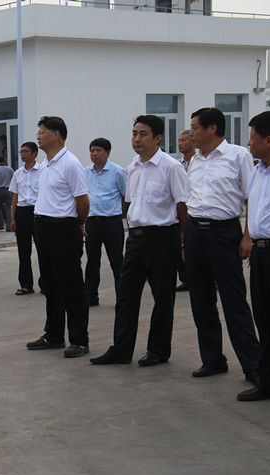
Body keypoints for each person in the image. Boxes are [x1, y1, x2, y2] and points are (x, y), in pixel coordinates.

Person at [90, 115, 187, 366]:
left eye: (143, 134)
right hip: (135, 238)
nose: (137, 139)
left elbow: (182, 205)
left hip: (162, 237)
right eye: (134, 133)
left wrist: (182, 240)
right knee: (126, 295)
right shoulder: (132, 168)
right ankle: (121, 349)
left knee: (162, 297)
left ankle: (158, 351)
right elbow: (130, 203)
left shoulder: (170, 167)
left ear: (157, 138)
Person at [185, 107, 260, 385]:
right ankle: (213, 358)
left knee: (233, 299)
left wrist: (247, 236)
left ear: (212, 128)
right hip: (195, 231)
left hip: (224, 231)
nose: (190, 134)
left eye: (195, 128)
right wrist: (186, 239)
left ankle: (253, 365)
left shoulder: (238, 156)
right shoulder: (194, 160)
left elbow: (252, 197)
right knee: (201, 299)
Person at [26, 116, 90, 358]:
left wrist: (78, 224)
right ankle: (53, 335)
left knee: (71, 285)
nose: (38, 136)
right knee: (50, 284)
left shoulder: (70, 163)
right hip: (43, 227)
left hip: (63, 228)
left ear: (56, 135)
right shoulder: (46, 163)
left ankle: (79, 340)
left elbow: (83, 202)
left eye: (42, 132)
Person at [238, 111, 270, 401]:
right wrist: (248, 236)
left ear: (268, 140)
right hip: (261, 254)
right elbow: (252, 207)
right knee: (266, 320)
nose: (248, 142)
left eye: (252, 136)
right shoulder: (258, 171)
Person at [83, 138, 127, 307]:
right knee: (92, 261)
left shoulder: (118, 172)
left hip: (111, 222)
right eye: (92, 150)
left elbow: (125, 195)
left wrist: (112, 208)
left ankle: (122, 297)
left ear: (108, 153)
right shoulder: (85, 172)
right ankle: (90, 296)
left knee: (117, 261)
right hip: (92, 222)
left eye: (98, 150)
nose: (94, 154)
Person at [9, 142, 42, 296]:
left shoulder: (43, 171)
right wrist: (13, 218)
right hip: (22, 212)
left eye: (26, 151)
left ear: (35, 153)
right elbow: (15, 196)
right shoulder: (18, 173)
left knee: (43, 249)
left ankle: (46, 284)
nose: (22, 154)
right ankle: (26, 285)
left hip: (38, 211)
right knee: (23, 251)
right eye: (21, 151)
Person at [175, 130, 196, 291]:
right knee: (180, 245)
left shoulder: (199, 162)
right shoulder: (177, 165)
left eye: (184, 140)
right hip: (180, 207)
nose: (180, 143)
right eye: (179, 140)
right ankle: (186, 279)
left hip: (195, 208)